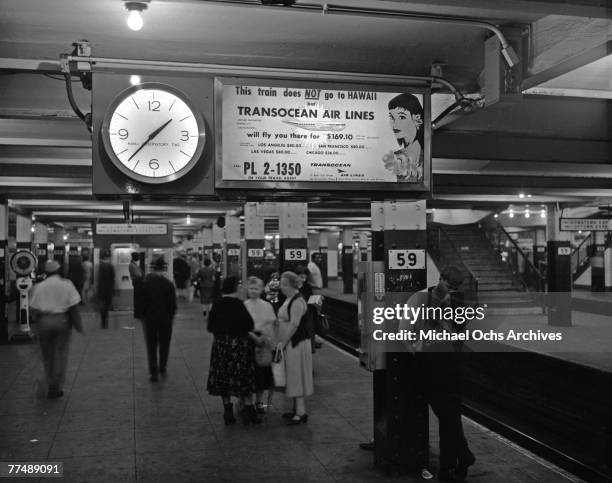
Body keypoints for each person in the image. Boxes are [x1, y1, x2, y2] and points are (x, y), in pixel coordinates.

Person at [401, 265, 476, 481]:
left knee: (449, 416)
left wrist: (449, 317)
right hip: (427, 364)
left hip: (449, 365)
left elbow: (459, 334)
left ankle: (448, 467)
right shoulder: (419, 298)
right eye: (447, 284)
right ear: (440, 278)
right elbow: (404, 330)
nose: (449, 289)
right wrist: (415, 349)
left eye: (453, 287)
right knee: (447, 416)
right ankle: (463, 457)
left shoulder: (457, 302)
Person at [207, 276, 260, 425]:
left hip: (221, 346)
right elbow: (249, 325)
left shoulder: (217, 305)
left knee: (224, 379)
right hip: (239, 347)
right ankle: (250, 412)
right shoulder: (239, 305)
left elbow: (210, 327)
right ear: (235, 288)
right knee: (243, 378)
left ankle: (228, 412)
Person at [29, 260, 84, 399]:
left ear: (46, 272)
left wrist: (37, 327)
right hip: (62, 320)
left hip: (44, 321)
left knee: (47, 355)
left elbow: (33, 309)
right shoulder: (67, 284)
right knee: (60, 352)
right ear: (59, 271)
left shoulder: (39, 286)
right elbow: (74, 307)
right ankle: (56, 387)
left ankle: (50, 383)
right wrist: (78, 325)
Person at [277, 271, 313, 425]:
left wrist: (282, 344)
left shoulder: (297, 301)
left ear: (292, 285)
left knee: (296, 375)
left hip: (295, 343)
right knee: (292, 375)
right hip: (291, 343)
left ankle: (301, 412)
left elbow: (293, 325)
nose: (281, 287)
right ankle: (296, 409)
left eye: (284, 284)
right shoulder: (290, 298)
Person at [244, 276, 277, 414]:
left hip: (264, 341)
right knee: (248, 374)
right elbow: (241, 325)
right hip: (248, 339)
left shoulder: (267, 305)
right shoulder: (244, 305)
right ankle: (248, 402)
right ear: (247, 289)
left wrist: (264, 338)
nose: (253, 291)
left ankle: (258, 401)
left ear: (261, 289)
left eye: (256, 288)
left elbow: (271, 324)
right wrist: (254, 337)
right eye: (251, 288)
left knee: (262, 374)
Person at [141, 257, 177, 382]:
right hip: (165, 320)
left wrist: (143, 316)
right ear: (163, 270)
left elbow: (142, 304)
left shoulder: (146, 284)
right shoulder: (169, 285)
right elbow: (173, 305)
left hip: (150, 320)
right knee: (164, 344)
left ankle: (153, 372)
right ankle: (162, 366)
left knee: (151, 346)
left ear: (153, 269)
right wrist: (170, 316)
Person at [382, 92, 424, 182]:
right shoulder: (394, 157)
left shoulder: (427, 154)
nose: (395, 125)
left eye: (401, 117)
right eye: (392, 117)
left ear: (417, 119)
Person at [96, 249, 115, 329]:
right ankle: (105, 321)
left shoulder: (100, 266)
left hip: (101, 289)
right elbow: (113, 278)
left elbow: (99, 279)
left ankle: (103, 321)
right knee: (107, 305)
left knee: (103, 305)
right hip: (109, 289)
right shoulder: (110, 266)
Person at [129, 252, 145, 320]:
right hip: (137, 282)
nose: (138, 258)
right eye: (137, 256)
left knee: (138, 298)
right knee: (138, 298)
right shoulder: (132, 265)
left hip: (138, 282)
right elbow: (139, 274)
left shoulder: (134, 264)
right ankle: (138, 313)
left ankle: (138, 313)